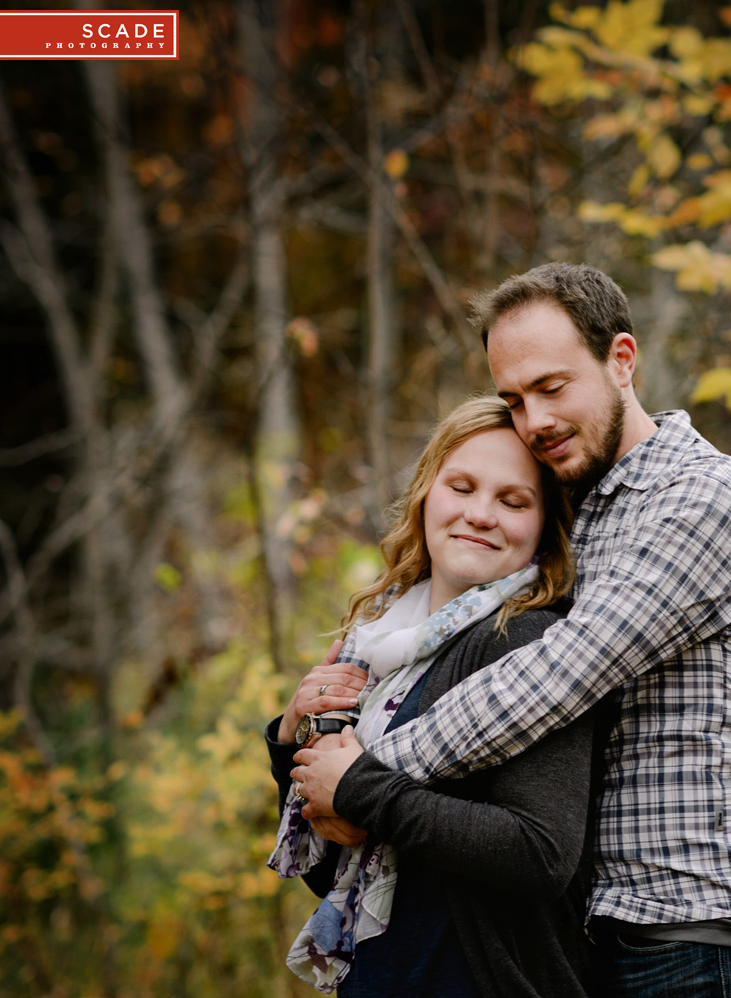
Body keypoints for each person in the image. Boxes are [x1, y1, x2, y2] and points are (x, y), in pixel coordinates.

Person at [291, 263, 731, 998]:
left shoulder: (702, 497)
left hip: (715, 933)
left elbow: (556, 679)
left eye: (552, 387)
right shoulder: (585, 507)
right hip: (618, 937)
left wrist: (364, 775)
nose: (535, 419)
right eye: (514, 399)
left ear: (621, 360)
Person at [265, 396, 606, 997]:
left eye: (513, 500)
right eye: (463, 487)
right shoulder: (383, 643)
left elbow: (540, 853)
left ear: (544, 526)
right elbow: (330, 876)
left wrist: (360, 787)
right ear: (427, 493)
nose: (480, 514)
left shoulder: (527, 639)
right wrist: (292, 742)